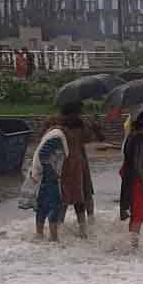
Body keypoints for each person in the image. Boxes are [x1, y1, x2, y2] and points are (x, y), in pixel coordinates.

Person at [28, 103, 98, 241]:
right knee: (66, 199)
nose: (78, 115)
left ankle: (57, 233)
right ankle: (72, 231)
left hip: (71, 167)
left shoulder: (62, 125)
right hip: (66, 167)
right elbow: (92, 138)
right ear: (71, 113)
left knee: (69, 199)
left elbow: (42, 143)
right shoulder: (64, 127)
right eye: (78, 113)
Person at [119, 110, 143, 249]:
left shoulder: (132, 136)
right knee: (138, 214)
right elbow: (140, 164)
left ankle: (133, 244)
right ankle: (134, 247)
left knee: (134, 212)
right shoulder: (141, 140)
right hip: (137, 180)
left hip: (130, 178)